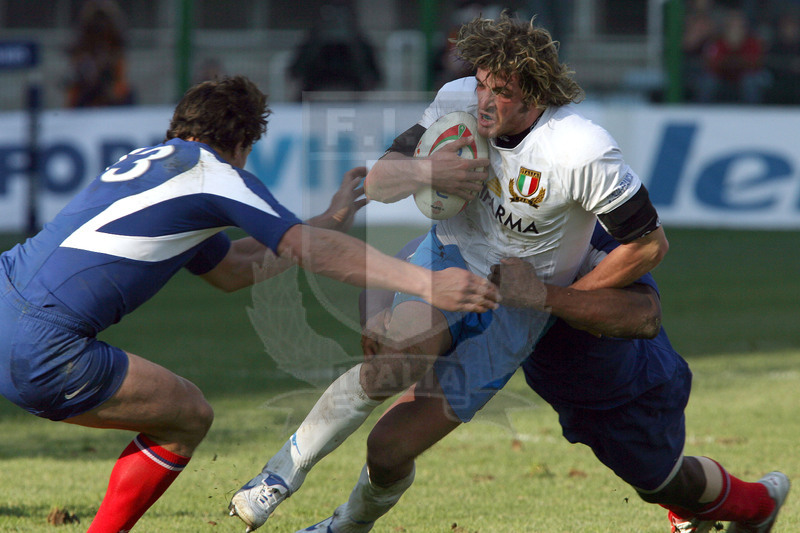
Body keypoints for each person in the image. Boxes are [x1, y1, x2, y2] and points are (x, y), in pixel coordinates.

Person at [229, 12, 669, 532]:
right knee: (392, 363)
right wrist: (425, 170)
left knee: (389, 449)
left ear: (534, 93)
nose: (483, 100)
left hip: (515, 312)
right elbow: (384, 182)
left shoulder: (580, 148)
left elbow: (647, 245)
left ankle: (346, 525)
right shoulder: (457, 99)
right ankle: (279, 474)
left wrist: (551, 297)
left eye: (500, 91)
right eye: (482, 82)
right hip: (450, 257)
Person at [0, 75, 499, 532]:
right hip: (43, 342)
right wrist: (424, 282)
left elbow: (233, 269)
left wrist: (326, 220)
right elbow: (303, 250)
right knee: (187, 416)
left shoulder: (148, 165)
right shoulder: (212, 174)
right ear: (241, 143)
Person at [298, 225, 789, 532]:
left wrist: (542, 296)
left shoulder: (589, 229)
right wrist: (380, 315)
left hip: (622, 393)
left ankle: (758, 502)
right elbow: (407, 258)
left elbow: (644, 316)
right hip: (542, 374)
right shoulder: (487, 209)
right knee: (388, 445)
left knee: (661, 483)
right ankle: (343, 524)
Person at [65, 0, 135, 108]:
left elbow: (120, 47)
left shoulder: (114, 37)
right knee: (76, 92)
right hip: (88, 82)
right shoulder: (85, 35)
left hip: (109, 78)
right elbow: (75, 53)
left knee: (124, 91)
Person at [696, 8, 768, 104]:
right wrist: (731, 51)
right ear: (726, 28)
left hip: (744, 76)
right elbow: (711, 63)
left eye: (738, 26)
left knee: (750, 82)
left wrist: (732, 59)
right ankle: (703, 113)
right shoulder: (717, 42)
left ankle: (753, 115)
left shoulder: (752, 42)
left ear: (744, 28)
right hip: (721, 76)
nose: (735, 29)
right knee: (708, 82)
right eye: (732, 26)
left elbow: (755, 63)